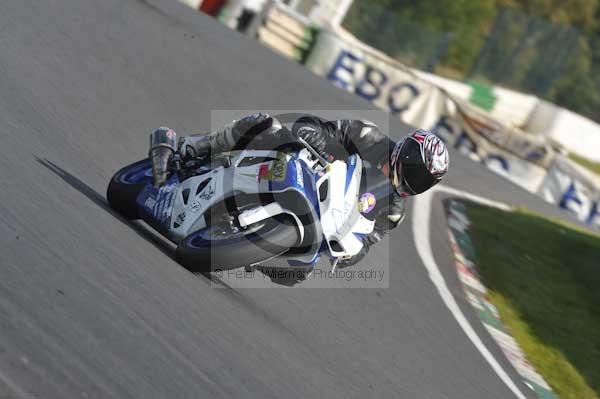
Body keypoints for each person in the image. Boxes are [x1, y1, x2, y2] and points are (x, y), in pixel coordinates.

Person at [152, 113, 449, 268]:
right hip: (300, 168)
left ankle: (248, 242)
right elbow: (312, 126)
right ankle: (194, 148)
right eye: (415, 172)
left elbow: (368, 239)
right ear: (405, 155)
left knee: (298, 270)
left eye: (423, 181)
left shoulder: (394, 210)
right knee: (263, 124)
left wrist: (349, 257)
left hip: (320, 220)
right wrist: (322, 144)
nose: (414, 181)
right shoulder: (367, 135)